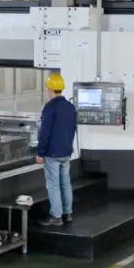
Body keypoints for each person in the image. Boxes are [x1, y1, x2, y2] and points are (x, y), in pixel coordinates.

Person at [36, 72, 77, 227]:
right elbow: (72, 129)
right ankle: (68, 213)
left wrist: (40, 153)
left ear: (49, 89)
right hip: (66, 152)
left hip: (52, 153)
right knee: (65, 183)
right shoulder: (70, 107)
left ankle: (56, 216)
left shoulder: (50, 108)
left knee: (53, 185)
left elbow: (44, 132)